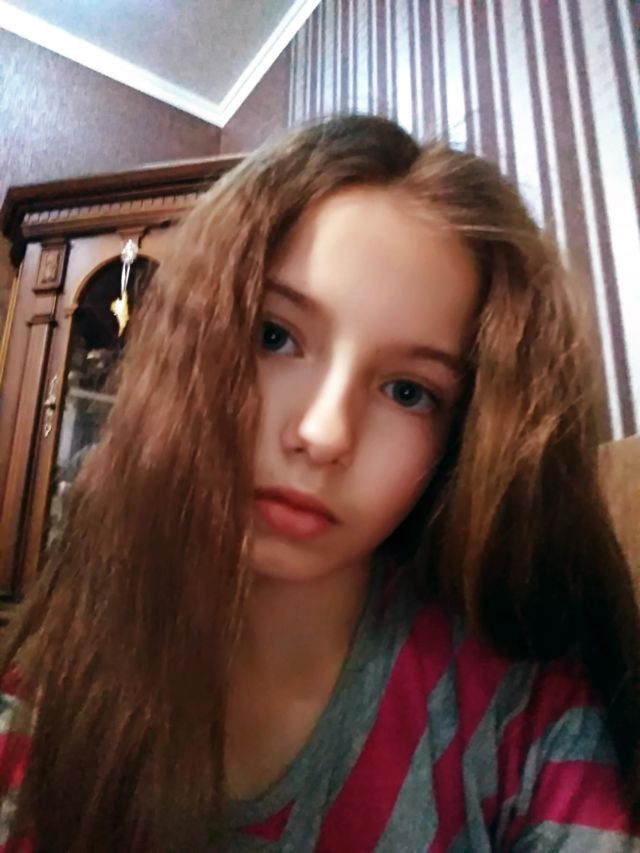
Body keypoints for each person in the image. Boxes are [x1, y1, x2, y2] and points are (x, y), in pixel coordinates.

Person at [0, 114, 638, 852]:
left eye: (408, 391)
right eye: (273, 336)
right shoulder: (57, 675)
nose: (325, 434)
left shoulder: (527, 716)